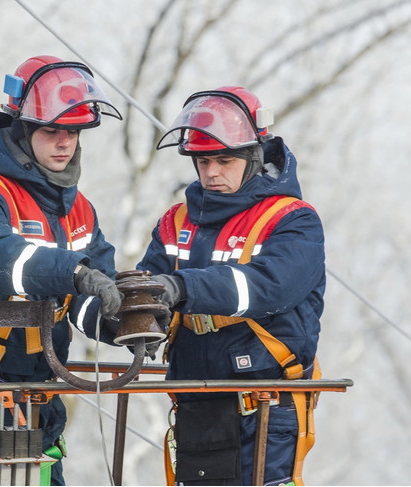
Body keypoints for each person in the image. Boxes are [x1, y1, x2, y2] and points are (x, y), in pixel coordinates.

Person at [0, 55, 125, 485]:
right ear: (22, 130)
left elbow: (87, 300)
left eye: (73, 133)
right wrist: (74, 273)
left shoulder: (78, 209)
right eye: (53, 131)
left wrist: (125, 321)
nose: (65, 143)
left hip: (41, 395)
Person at [137, 86, 325, 485]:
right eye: (202, 161)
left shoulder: (293, 221)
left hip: (265, 404)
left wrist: (181, 287)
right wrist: (124, 311)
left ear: (254, 156)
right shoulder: (176, 222)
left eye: (224, 160)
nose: (211, 173)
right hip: (195, 401)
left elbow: (269, 287)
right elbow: (151, 287)